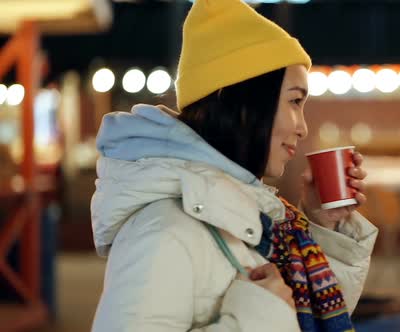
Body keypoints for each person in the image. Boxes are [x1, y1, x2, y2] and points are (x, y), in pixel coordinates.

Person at [90, 0, 377, 331]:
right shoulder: (164, 232)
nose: (303, 127)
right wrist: (258, 317)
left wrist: (321, 225)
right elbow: (274, 313)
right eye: (295, 102)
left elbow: (314, 312)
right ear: (244, 101)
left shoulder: (255, 216)